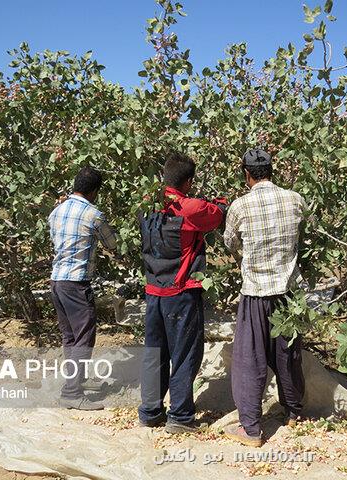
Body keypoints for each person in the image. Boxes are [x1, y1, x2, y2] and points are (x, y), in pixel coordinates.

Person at [222, 148, 308, 447]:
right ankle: (294, 412)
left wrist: (247, 256)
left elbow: (230, 242)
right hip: (287, 292)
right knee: (288, 354)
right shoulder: (295, 199)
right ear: (273, 170)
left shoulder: (239, 206)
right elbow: (301, 235)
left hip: (256, 291)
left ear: (246, 173)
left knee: (249, 360)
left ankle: (251, 429)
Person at [138, 152, 227, 433]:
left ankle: (150, 412)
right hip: (180, 293)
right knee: (186, 353)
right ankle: (180, 416)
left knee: (155, 354)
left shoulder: (146, 206)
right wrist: (221, 201)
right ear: (188, 181)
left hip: (153, 291)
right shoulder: (190, 208)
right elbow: (218, 214)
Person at [48, 166, 118, 410]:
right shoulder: (93, 214)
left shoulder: (56, 211)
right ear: (95, 191)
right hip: (76, 283)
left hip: (56, 281)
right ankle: (72, 393)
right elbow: (112, 243)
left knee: (70, 337)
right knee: (84, 337)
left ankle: (73, 383)